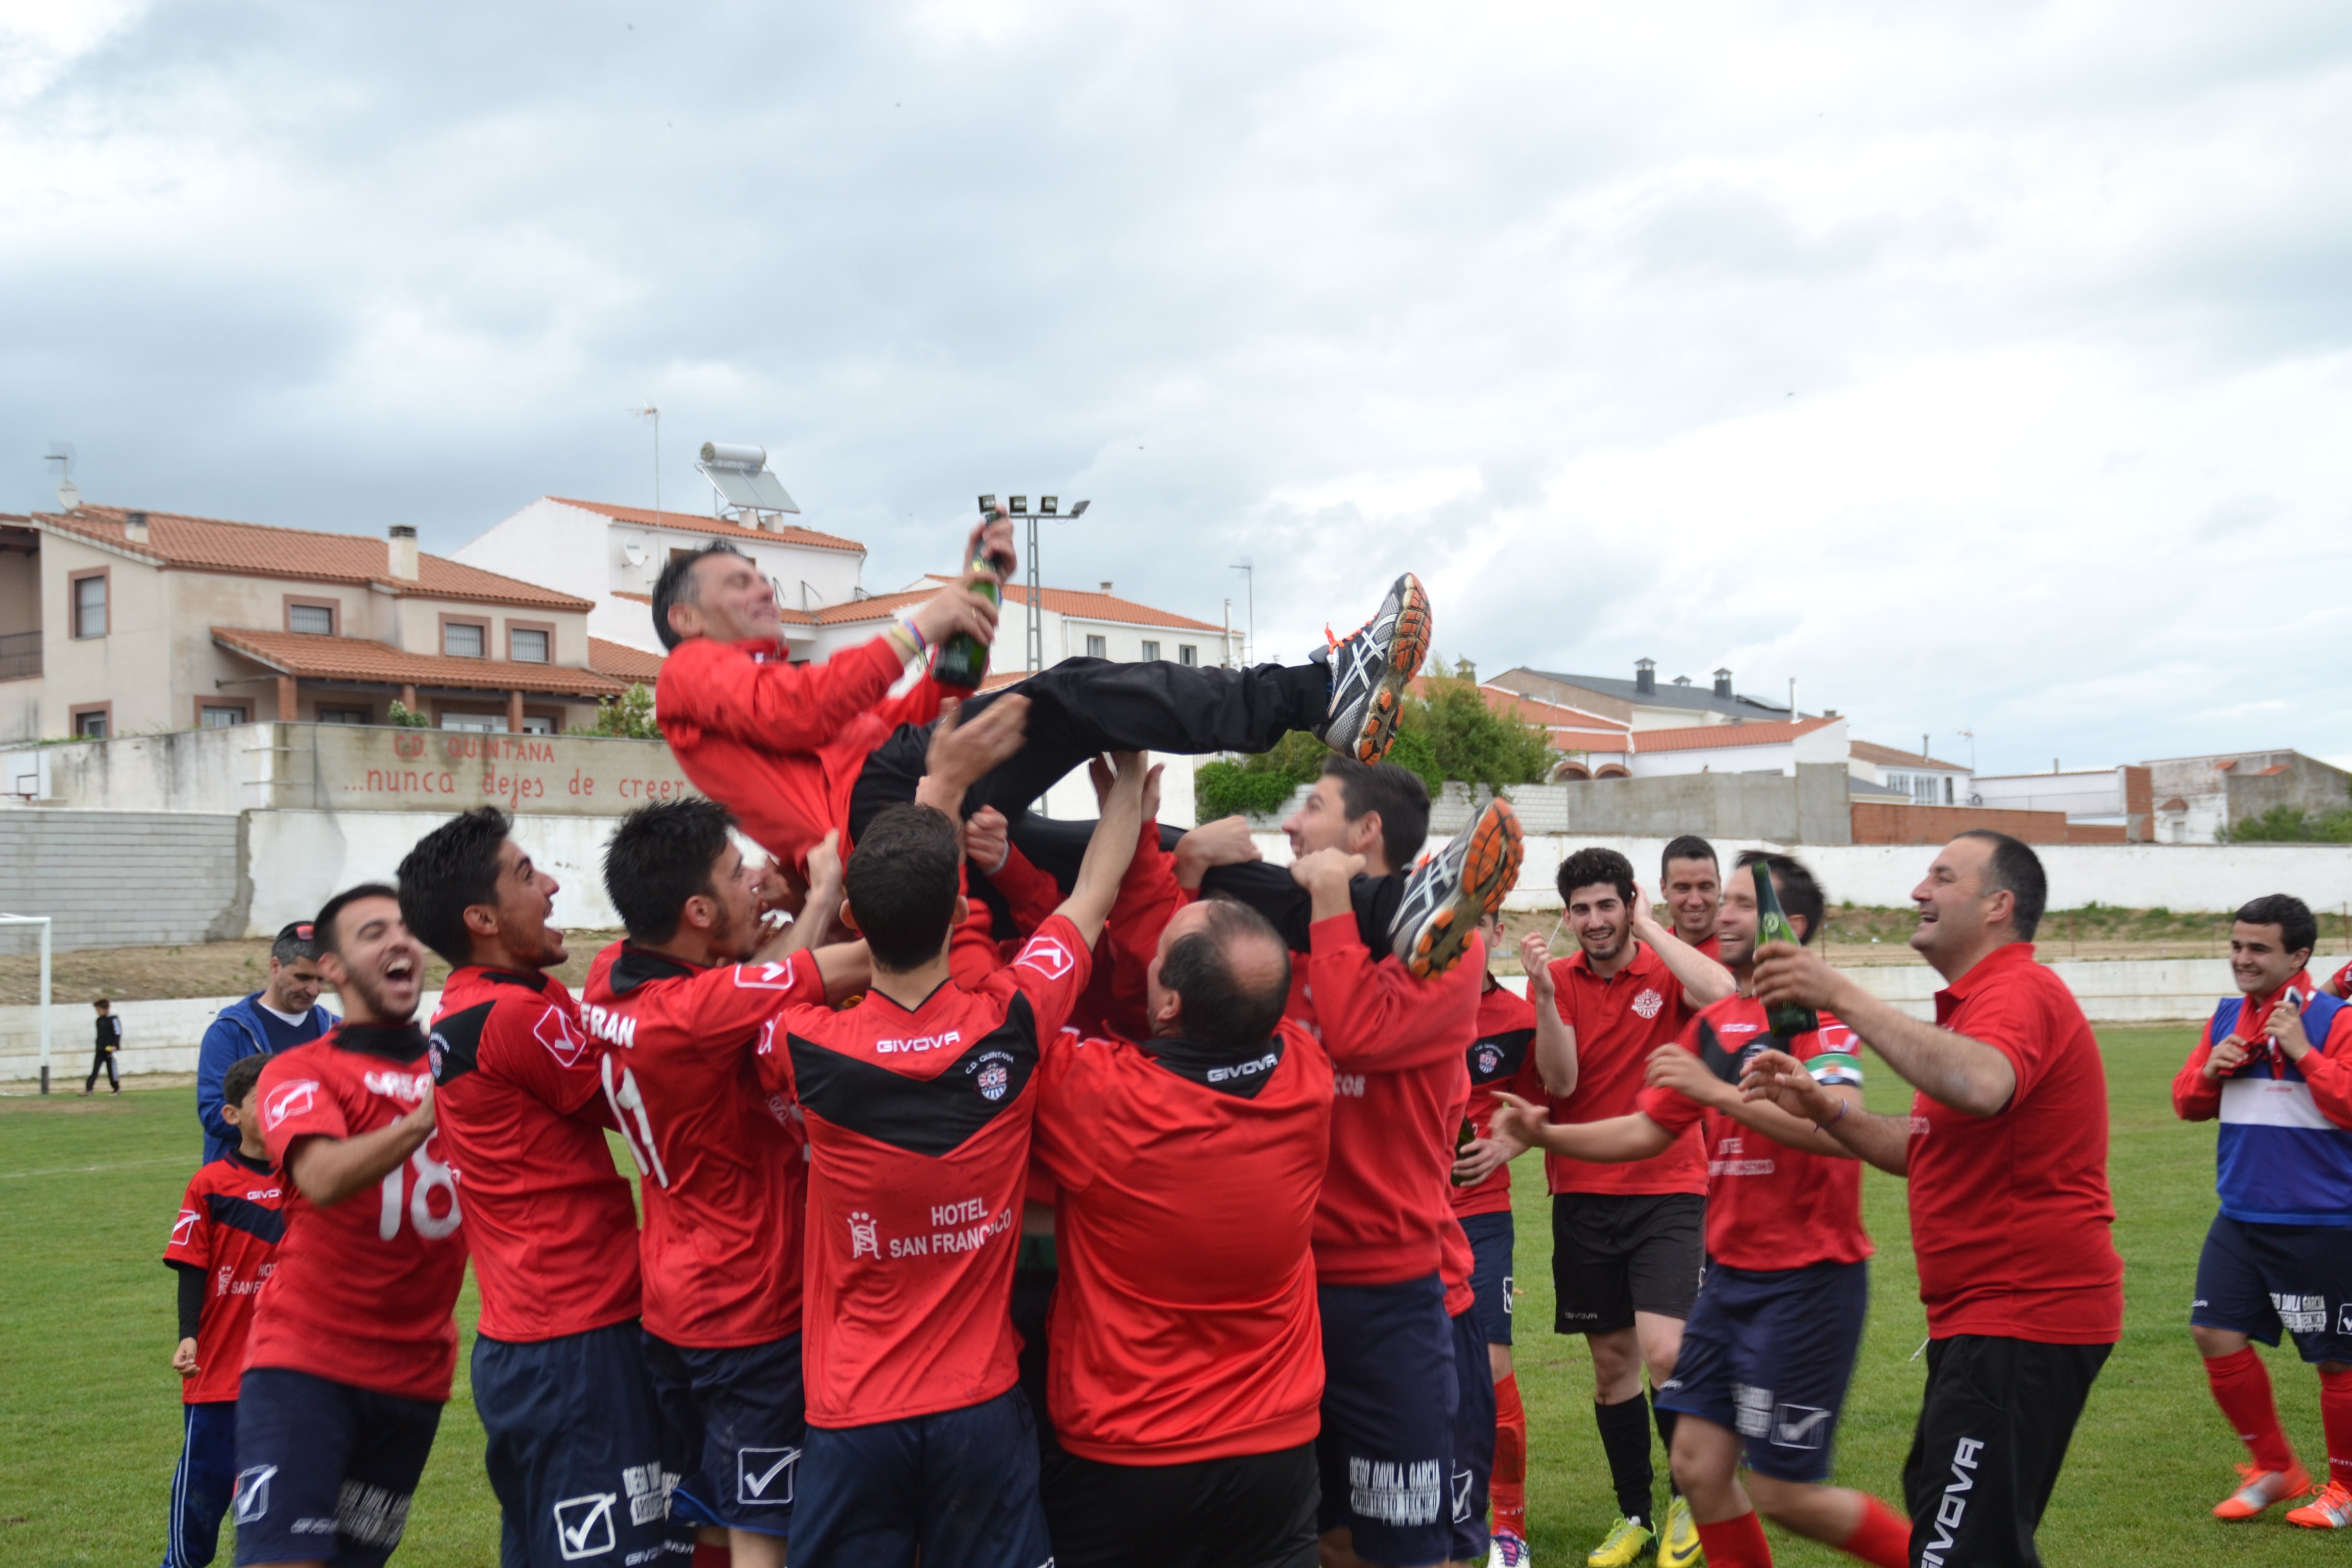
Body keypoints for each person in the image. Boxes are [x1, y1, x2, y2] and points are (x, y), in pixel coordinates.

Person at [750, 751, 1149, 1568]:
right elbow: (1093, 898)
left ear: (859, 921)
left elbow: (761, 987)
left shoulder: (802, 1042)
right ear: (960, 913)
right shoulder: (1013, 1018)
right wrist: (1129, 789)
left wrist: (824, 897)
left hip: (854, 1414)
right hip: (979, 1411)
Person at [1493, 853, 1910, 1568]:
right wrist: (1546, 1133)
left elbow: (1839, 1134)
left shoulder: (1819, 1019)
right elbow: (1648, 1127)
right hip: (1731, 1280)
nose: (1722, 913)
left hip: (1807, 1279)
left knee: (1785, 1495)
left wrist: (1716, 1095)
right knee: (1697, 1463)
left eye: (1743, 903)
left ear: (1791, 923)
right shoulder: (1718, 1025)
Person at [652, 512, 1433, 890]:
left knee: (1146, 853)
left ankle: (1381, 914)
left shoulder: (773, 688)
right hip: (882, 820)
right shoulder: (689, 674)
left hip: (901, 804)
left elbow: (910, 721)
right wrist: (927, 618)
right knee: (1068, 694)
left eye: (761, 572)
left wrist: (967, 623)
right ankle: (1317, 690)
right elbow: (808, 715)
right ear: (685, 618)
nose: (762, 584)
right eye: (737, 578)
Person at [1743, 830, 2123, 1568]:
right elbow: (1928, 1148)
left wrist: (1839, 993)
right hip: (1988, 1317)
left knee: (1955, 1547)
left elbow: (1981, 1085)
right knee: (1954, 1521)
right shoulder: (1976, 1009)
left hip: (2024, 1313)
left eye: (1942, 877)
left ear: (1997, 906)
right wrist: (1829, 1112)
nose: (1919, 890)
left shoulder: (2018, 991)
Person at [581, 800, 869, 1568]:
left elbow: (763, 981)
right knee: (761, 1536)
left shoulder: (610, 975)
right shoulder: (696, 1011)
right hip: (748, 1310)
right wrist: (828, 886)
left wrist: (785, 917)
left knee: (710, 1514)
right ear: (698, 909)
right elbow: (849, 965)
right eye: (739, 875)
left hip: (676, 1302)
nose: (755, 883)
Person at [396, 808, 681, 1568]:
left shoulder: (491, 1002)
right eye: (527, 875)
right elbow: (652, 1095)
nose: (552, 886)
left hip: (539, 1336)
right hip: (575, 1342)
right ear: (481, 918)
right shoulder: (512, 1015)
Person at [1030, 888, 1335, 1568]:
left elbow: (1009, 1019)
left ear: (1169, 1005)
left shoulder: (1102, 1098)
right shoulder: (1306, 1077)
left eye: (1160, 953)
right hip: (1274, 1448)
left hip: (1128, 1451)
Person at [1276, 767, 1517, 1568]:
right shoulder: (1292, 937)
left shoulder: (1453, 948)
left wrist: (1334, 903)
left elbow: (1354, 1034)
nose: (1289, 825)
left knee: (1421, 1551)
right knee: (1325, 1538)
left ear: (1366, 833)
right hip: (1289, 1292)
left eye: (1312, 807)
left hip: (1401, 1300)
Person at [1518, 847, 1735, 1568]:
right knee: (1613, 1366)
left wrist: (1653, 927)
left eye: (1607, 905)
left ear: (1629, 903)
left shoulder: (1664, 969)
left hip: (1669, 1185)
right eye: (1580, 909)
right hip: (1581, 1193)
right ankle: (1634, 1514)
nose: (1593, 921)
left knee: (1667, 1351)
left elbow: (1723, 991)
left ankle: (1687, 1501)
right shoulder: (1553, 980)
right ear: (1567, 915)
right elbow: (1560, 1079)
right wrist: (1545, 1000)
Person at [239, 885, 465, 1568]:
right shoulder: (300, 1070)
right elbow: (324, 1178)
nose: (398, 941)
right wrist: (427, 1115)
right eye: (372, 932)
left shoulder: (460, 1064)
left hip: (416, 1377)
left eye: (404, 928)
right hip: (306, 1366)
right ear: (333, 968)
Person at [2170, 893, 2352, 1527]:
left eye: (2258, 949)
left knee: (2337, 1360)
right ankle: (2277, 1468)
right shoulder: (2227, 1017)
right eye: (2236, 946)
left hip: (2326, 1219)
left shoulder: (2336, 1019)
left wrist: (2304, 1051)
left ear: (2299, 955)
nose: (2241, 960)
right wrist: (2209, 1076)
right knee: (2213, 1332)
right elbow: (2185, 1104)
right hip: (2241, 1214)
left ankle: (2345, 1491)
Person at [160, 1053, 284, 1568]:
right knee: (200, 1506)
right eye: (263, 1098)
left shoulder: (310, 1177)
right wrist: (189, 1334)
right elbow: (192, 1264)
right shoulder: (210, 1184)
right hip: (217, 1376)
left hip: (285, 1378)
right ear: (232, 1115)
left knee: (277, 1513)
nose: (278, 1106)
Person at [1447, 911, 1543, 1566]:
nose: (1461, 938)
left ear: (1497, 931)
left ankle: (1507, 1525)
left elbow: (1548, 1103)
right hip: (1404, 1219)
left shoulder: (1516, 1020)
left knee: (1490, 1369)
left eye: (1474, 924)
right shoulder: (1405, 1006)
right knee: (1422, 1377)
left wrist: (1509, 1141)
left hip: (1481, 1215)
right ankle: (1447, 1513)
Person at [198, 923, 333, 1161]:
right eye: (302, 977)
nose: (313, 990)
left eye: (321, 980)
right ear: (275, 967)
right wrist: (299, 1120)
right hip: (247, 1186)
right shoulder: (230, 1032)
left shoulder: (337, 1030)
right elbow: (213, 1113)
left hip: (318, 1182)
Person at [84, 997, 122, 1094]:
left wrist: (115, 1046)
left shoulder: (113, 1019)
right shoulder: (98, 1021)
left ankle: (116, 1089)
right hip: (100, 1049)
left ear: (106, 1009)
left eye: (99, 1010)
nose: (98, 1012)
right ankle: (89, 1090)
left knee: (111, 1071)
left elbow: (118, 1033)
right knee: (95, 1070)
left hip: (110, 1049)